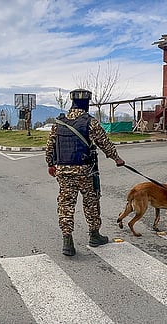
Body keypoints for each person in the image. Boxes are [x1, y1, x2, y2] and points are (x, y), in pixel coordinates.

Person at [45, 88, 125, 256]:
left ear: (72, 102)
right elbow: (104, 142)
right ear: (86, 103)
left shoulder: (58, 122)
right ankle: (94, 235)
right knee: (91, 202)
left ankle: (67, 241)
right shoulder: (90, 121)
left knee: (66, 205)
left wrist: (51, 164)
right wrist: (116, 158)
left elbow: (50, 147)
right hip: (85, 172)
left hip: (63, 171)